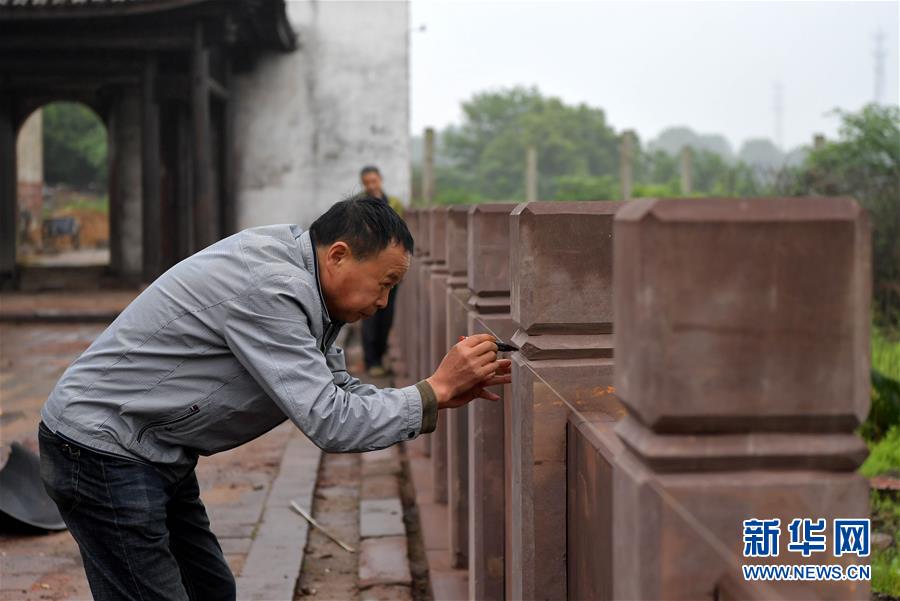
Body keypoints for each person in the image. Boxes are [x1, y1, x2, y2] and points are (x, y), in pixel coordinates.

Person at [38, 197, 510, 601]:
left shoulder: (304, 279)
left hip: (152, 447)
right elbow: (332, 420)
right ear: (340, 255)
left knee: (210, 590)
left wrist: (435, 396)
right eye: (384, 283)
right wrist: (434, 390)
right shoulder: (272, 286)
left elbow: (336, 389)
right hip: (102, 449)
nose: (384, 302)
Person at [358, 165, 403, 376]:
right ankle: (371, 361)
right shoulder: (358, 204)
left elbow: (400, 230)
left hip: (391, 267)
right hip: (368, 268)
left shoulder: (394, 203)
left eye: (374, 181)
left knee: (387, 313)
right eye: (367, 182)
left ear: (380, 180)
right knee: (369, 312)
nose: (371, 185)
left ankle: (380, 356)